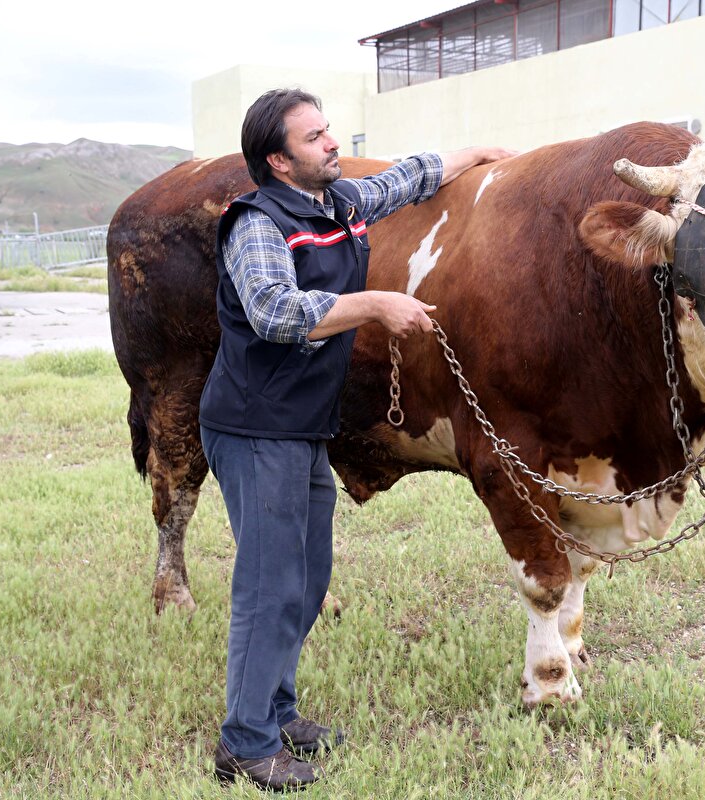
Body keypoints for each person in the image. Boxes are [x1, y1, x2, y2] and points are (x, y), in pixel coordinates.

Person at [198, 87, 513, 791]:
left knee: (305, 582)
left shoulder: (334, 204)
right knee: (269, 585)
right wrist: (375, 305)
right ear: (279, 161)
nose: (332, 143)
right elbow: (276, 312)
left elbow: (407, 178)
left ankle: (275, 715)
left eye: (328, 130)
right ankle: (244, 745)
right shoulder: (258, 224)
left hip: (302, 427)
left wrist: (481, 154)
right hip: (255, 429)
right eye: (314, 138)